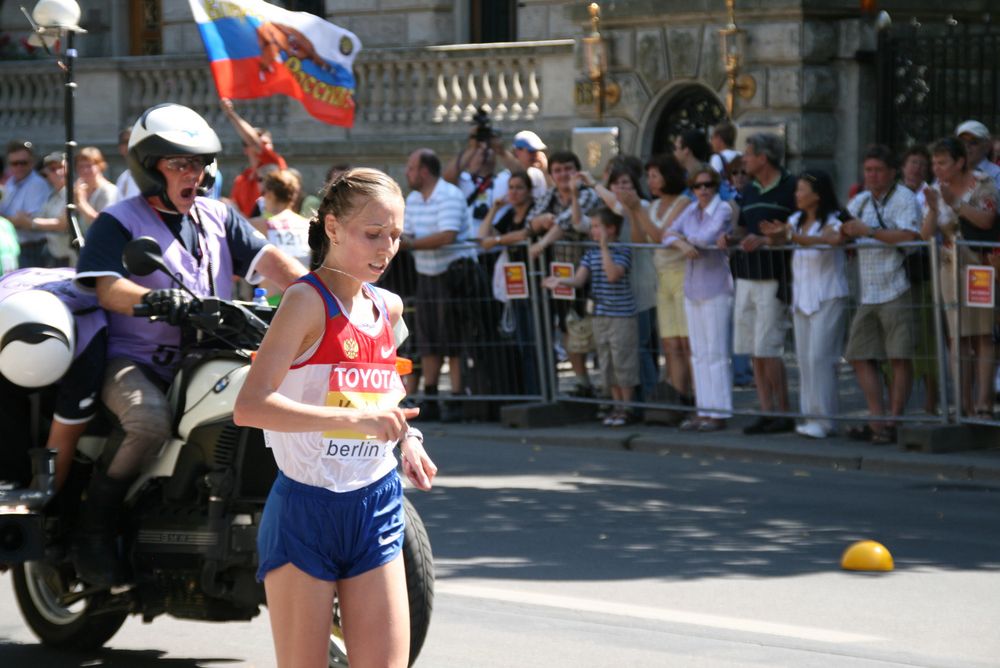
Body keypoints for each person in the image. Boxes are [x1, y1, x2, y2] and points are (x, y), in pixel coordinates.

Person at [72, 103, 308, 585]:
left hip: (210, 359)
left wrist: (329, 302)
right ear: (149, 166)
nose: (192, 174)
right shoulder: (118, 222)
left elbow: (277, 265)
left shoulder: (219, 216)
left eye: (198, 164)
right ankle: (92, 530)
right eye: (179, 164)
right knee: (147, 419)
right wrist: (157, 298)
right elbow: (106, 288)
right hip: (137, 362)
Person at [233, 167, 437, 668]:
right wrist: (354, 424)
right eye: (373, 234)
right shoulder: (305, 301)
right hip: (307, 510)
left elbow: (384, 394)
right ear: (331, 227)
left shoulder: (388, 308)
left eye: (395, 236)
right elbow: (250, 407)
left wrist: (407, 439)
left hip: (376, 504)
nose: (386, 248)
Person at [841, 144, 922, 444]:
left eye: (877, 170)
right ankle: (877, 417)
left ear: (891, 172)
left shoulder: (904, 198)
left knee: (899, 356)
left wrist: (868, 232)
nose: (872, 176)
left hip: (896, 285)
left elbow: (910, 237)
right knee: (859, 354)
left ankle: (894, 419)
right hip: (869, 290)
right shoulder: (860, 200)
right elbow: (841, 231)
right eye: (868, 170)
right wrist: (843, 232)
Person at [0, 267, 107, 491]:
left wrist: (35, 508)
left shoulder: (90, 347)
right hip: (16, 289)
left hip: (75, 350)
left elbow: (63, 442)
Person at [718, 133, 796, 435]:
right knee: (753, 347)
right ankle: (766, 410)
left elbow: (798, 226)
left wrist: (766, 239)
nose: (744, 160)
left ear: (763, 157)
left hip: (775, 277)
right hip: (746, 275)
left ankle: (783, 411)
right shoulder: (749, 189)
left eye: (748, 155)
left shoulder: (790, 185)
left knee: (769, 347)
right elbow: (742, 227)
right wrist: (733, 237)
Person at [761, 171, 849, 439]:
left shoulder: (835, 220)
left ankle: (825, 420)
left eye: (801, 190)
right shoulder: (794, 220)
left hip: (828, 295)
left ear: (817, 195)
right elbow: (779, 239)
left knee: (821, 357)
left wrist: (790, 237)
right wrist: (774, 234)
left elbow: (830, 241)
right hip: (802, 298)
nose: (796, 195)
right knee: (805, 359)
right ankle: (810, 416)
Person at [921, 136, 1000, 418]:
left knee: (981, 335)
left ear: (960, 162)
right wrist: (933, 208)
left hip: (979, 267)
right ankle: (962, 403)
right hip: (948, 267)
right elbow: (926, 235)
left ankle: (983, 403)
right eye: (934, 162)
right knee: (957, 337)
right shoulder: (933, 190)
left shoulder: (983, 184)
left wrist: (955, 203)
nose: (937, 167)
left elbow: (986, 220)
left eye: (942, 162)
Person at [400, 148, 478, 422]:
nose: (407, 173)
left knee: (453, 338)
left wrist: (408, 244)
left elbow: (447, 235)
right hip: (427, 274)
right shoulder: (413, 198)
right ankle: (431, 397)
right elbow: (407, 233)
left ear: (424, 171)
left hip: (453, 274)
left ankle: (457, 398)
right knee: (428, 338)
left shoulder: (450, 195)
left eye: (411, 168)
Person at [544, 207, 639, 426]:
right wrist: (559, 282)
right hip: (599, 316)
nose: (592, 231)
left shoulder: (622, 250)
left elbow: (613, 275)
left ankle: (629, 407)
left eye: (597, 227)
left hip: (621, 316)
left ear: (611, 229)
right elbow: (579, 280)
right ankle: (616, 406)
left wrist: (604, 247)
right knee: (607, 363)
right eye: (593, 227)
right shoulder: (590, 253)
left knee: (623, 361)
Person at [581, 161, 659, 404]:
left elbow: (621, 209)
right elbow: (580, 223)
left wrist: (593, 183)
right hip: (621, 292)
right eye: (616, 184)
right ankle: (631, 400)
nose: (622, 188)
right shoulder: (610, 214)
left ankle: (650, 396)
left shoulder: (642, 206)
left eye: (626, 183)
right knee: (623, 351)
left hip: (643, 283)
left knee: (642, 346)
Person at [664, 165, 735, 431]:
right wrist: (681, 243)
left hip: (715, 287)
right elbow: (666, 233)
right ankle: (703, 410)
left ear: (715, 187)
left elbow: (705, 239)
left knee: (716, 352)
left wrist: (683, 239)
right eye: (697, 186)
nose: (703, 190)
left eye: (708, 185)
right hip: (692, 287)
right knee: (699, 354)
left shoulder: (723, 209)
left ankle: (719, 412)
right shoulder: (690, 210)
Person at [527, 151, 601, 396]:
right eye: (557, 170)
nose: (563, 175)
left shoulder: (588, 194)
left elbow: (566, 222)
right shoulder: (549, 195)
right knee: (568, 327)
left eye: (568, 169)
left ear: (577, 171)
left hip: (590, 272)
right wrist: (541, 221)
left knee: (593, 328)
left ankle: (607, 385)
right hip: (559, 273)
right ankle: (582, 382)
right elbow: (530, 221)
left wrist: (542, 242)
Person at [635, 153, 693, 411]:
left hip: (682, 277)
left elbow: (661, 236)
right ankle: (677, 394)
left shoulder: (682, 202)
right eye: (648, 176)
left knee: (685, 342)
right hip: (662, 280)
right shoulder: (651, 206)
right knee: (669, 342)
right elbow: (639, 238)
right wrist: (633, 211)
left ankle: (692, 393)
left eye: (654, 175)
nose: (650, 181)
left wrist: (637, 209)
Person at [479, 170, 540, 395]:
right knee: (522, 340)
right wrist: (495, 207)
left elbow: (527, 233)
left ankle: (540, 389)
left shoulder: (536, 210)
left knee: (537, 339)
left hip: (535, 283)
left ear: (529, 190)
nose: (513, 192)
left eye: (519, 187)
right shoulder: (508, 215)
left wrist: (498, 240)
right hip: (516, 285)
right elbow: (482, 238)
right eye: (511, 187)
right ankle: (529, 391)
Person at [901, 144, 939, 415]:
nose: (917, 168)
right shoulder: (895, 194)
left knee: (927, 338)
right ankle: (897, 402)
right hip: (896, 271)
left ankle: (931, 399)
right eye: (913, 162)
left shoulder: (930, 195)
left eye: (922, 164)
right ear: (903, 167)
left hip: (924, 269)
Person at [250, 169, 311, 302]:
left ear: (270, 194)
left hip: (272, 301)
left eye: (263, 193)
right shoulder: (308, 225)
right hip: (306, 298)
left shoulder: (259, 226)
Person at [221, 97, 287, 217]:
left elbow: (253, 141)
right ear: (246, 150)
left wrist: (231, 114)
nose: (267, 149)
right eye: (263, 145)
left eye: (268, 144)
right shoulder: (241, 180)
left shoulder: (275, 164)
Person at [1, 139, 51, 268]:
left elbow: (25, 221)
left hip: (33, 250)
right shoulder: (10, 182)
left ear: (32, 162)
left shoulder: (37, 184)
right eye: (14, 163)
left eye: (23, 163)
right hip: (14, 247)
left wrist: (5, 220)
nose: (19, 167)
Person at [25, 152, 71, 266]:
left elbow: (63, 224)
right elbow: (41, 217)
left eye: (61, 167)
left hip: (70, 256)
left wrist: (30, 223)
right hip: (53, 254)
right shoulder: (51, 195)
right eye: (53, 169)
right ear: (46, 173)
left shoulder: (74, 193)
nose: (59, 172)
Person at [74, 147, 120, 237]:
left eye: (89, 166)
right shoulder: (81, 190)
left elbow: (104, 224)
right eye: (81, 166)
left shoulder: (108, 191)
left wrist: (81, 202)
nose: (84, 170)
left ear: (100, 166)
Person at [493, 130, 550, 201]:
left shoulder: (538, 174)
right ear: (517, 152)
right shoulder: (503, 178)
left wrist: (545, 172)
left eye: (537, 151)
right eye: (531, 151)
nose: (535, 155)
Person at [955, 120, 1000, 192]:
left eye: (973, 142)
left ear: (987, 146)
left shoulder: (997, 174)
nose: (966, 146)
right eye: (962, 142)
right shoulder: (949, 170)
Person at [114, 128, 142, 199]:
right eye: (126, 142)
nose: (130, 145)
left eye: (133, 140)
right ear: (120, 148)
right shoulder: (122, 178)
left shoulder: (151, 175)